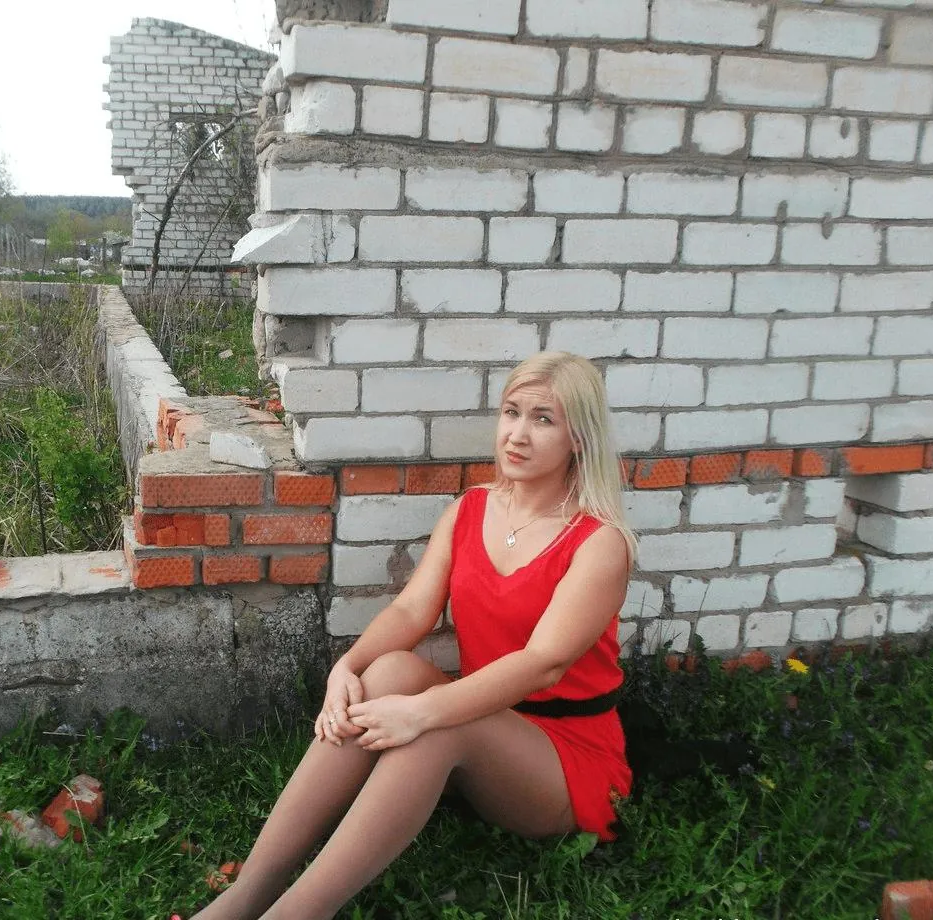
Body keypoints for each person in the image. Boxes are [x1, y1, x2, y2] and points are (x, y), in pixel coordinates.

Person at [192, 351, 636, 920]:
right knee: (389, 672)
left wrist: (422, 712)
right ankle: (247, 892)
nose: (518, 434)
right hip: (484, 717)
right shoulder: (471, 509)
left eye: (543, 419)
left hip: (566, 759)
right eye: (511, 412)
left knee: (436, 725)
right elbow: (411, 611)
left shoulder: (599, 543)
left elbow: (543, 663)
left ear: (579, 438)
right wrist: (346, 668)